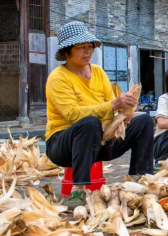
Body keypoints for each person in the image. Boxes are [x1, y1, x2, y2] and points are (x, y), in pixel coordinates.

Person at [45, 21, 154, 209]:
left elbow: (113, 109)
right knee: (89, 122)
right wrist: (113, 105)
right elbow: (72, 114)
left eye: (90, 47)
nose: (88, 51)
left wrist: (124, 116)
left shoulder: (98, 72)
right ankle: (78, 189)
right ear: (66, 52)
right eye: (82, 48)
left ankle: (139, 178)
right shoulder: (58, 77)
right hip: (63, 144)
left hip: (100, 140)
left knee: (144, 121)